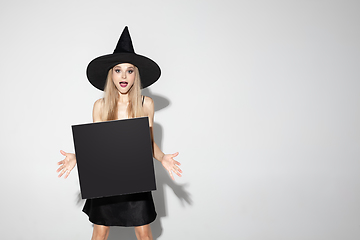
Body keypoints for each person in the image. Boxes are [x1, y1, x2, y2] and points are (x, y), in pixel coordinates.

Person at [56, 26, 182, 240]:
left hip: (136, 178)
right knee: (100, 232)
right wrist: (77, 157)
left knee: (144, 234)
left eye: (130, 70)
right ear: (111, 74)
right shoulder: (100, 105)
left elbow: (148, 143)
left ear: (136, 75)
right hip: (107, 179)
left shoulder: (146, 104)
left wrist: (163, 158)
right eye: (118, 70)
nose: (124, 76)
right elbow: (98, 147)